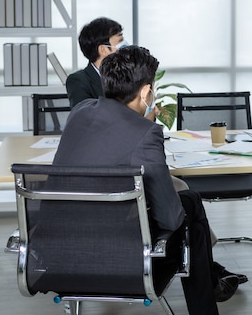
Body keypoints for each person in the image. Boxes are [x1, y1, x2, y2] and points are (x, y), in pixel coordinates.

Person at [53, 46, 241, 314]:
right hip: (118, 260)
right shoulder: (146, 133)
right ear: (145, 92)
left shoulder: (80, 112)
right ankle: (207, 294)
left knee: (188, 206)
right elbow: (171, 219)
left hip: (60, 254)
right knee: (190, 206)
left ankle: (211, 281)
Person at [66, 17, 128, 108]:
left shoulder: (128, 75)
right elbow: (85, 117)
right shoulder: (79, 80)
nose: (126, 47)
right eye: (120, 42)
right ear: (103, 50)